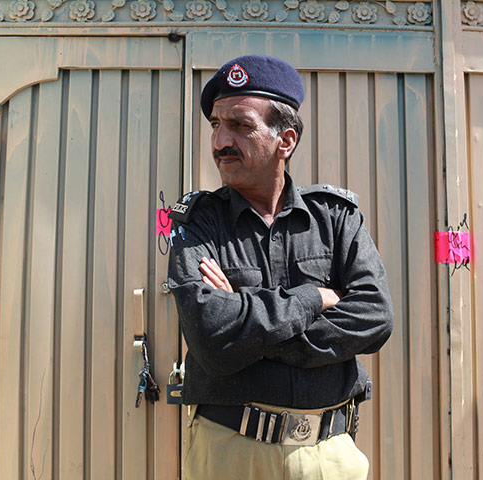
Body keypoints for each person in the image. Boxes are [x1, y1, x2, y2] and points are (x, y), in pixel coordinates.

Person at [167, 54, 393, 480]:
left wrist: (248, 322)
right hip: (230, 454)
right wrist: (315, 298)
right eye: (216, 124)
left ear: (285, 140)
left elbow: (375, 318)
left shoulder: (335, 218)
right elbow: (211, 336)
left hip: (328, 454)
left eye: (240, 125)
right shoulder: (199, 221)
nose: (220, 141)